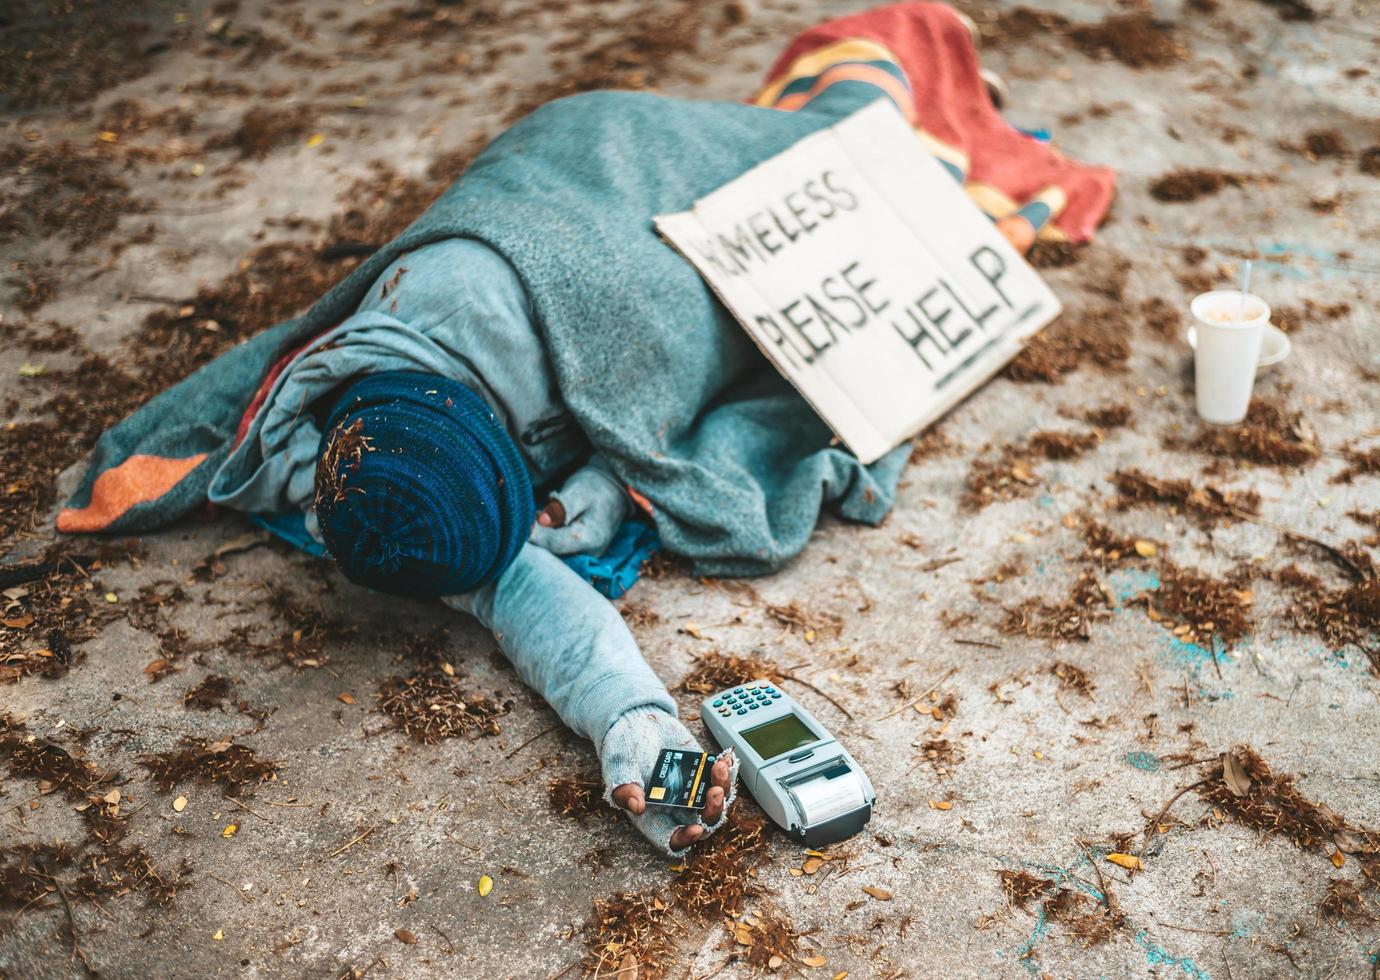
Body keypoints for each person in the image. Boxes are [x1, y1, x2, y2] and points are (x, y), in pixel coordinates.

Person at [56, 3, 1113, 856]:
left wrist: (605, 493)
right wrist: (634, 729)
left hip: (602, 158)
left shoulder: (527, 331)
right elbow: (529, 600)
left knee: (874, 189)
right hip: (547, 229)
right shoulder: (350, 464)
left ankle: (890, 55)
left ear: (506, 446)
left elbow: (673, 383)